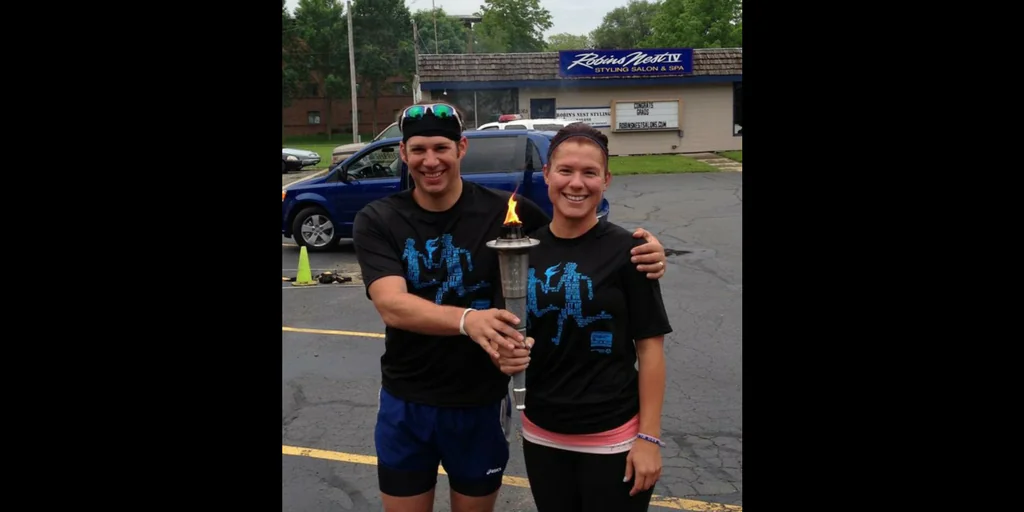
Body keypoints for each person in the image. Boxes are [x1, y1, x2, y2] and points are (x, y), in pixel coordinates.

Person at [351, 102, 669, 512]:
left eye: (441, 148)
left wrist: (650, 251)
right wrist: (470, 320)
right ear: (403, 153)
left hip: (480, 402)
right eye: (419, 149)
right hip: (407, 397)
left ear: (461, 148)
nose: (431, 160)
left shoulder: (508, 212)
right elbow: (392, 305)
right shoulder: (379, 218)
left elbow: (575, 231)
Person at [493, 123, 673, 512]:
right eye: (566, 171)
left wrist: (650, 439)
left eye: (590, 173)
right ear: (546, 175)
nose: (577, 183)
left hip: (614, 438)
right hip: (542, 435)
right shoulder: (522, 251)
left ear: (606, 180)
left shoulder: (631, 252)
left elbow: (651, 349)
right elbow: (506, 335)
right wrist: (503, 353)